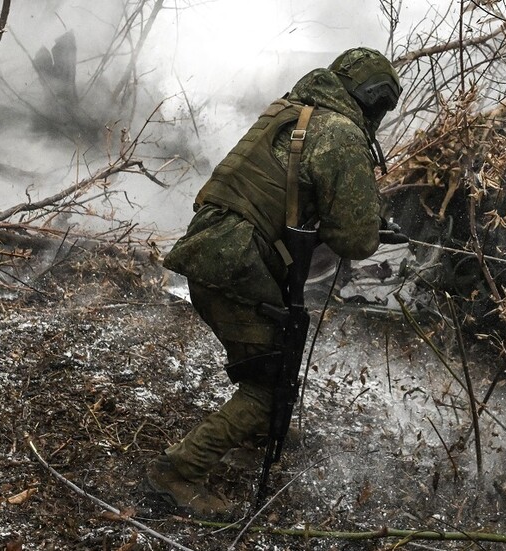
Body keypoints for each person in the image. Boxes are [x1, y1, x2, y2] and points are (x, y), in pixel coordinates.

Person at [145, 47, 403, 516]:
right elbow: (357, 239)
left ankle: (258, 428)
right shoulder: (341, 134)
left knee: (269, 355)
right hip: (238, 264)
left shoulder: (288, 111)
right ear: (372, 99)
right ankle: (178, 472)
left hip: (215, 251)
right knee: (268, 387)